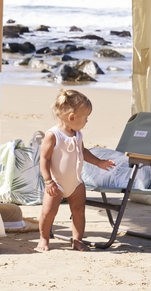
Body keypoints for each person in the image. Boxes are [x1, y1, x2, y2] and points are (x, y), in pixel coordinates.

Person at [35, 89, 115, 252]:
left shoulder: (78, 134)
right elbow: (44, 159)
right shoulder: (53, 135)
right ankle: (44, 238)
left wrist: (99, 162)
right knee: (49, 212)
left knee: (79, 212)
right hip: (56, 183)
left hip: (76, 183)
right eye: (85, 118)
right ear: (72, 117)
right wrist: (48, 180)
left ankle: (77, 240)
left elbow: (83, 152)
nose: (87, 121)